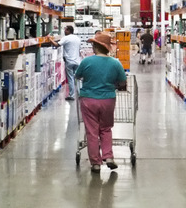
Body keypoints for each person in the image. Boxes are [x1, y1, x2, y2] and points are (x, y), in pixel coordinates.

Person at [75, 32, 127, 173]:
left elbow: (77, 76)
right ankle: (108, 157)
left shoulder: (86, 61)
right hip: (108, 100)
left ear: (95, 46)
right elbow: (123, 82)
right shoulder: (115, 63)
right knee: (105, 128)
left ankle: (95, 163)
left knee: (92, 131)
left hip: (88, 99)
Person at [48, 25, 82, 101]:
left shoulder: (66, 38)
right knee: (78, 78)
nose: (64, 31)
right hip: (77, 61)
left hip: (69, 61)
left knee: (70, 79)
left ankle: (72, 95)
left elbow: (56, 45)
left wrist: (50, 39)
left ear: (69, 30)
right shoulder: (77, 38)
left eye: (65, 30)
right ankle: (80, 94)